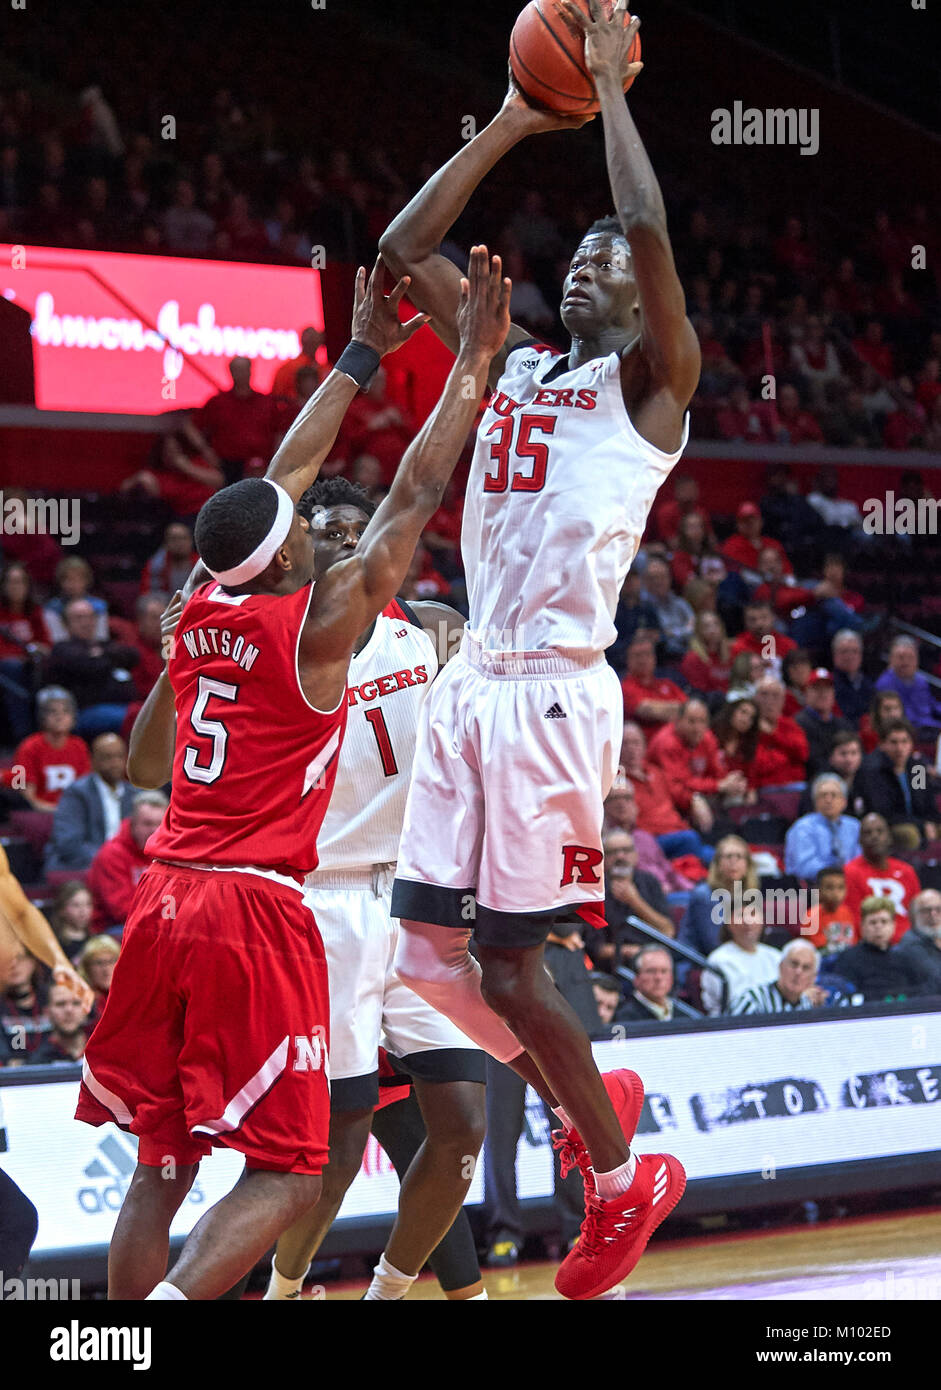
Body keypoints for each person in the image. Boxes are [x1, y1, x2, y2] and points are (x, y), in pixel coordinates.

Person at [74, 249, 507, 1302]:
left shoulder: (203, 602)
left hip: (163, 893)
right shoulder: (316, 632)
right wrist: (472, 367)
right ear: (288, 555)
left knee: (159, 1167)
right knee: (288, 1168)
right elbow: (408, 495)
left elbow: (284, 472)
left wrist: (358, 354)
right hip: (256, 905)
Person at [381, 5, 697, 1299]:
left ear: (642, 297)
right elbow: (403, 249)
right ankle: (588, 1100)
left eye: (606, 258)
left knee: (510, 963)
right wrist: (514, 118)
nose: (587, 261)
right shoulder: (506, 365)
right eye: (577, 249)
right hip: (471, 681)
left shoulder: (652, 386)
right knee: (423, 964)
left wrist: (611, 93)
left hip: (554, 691)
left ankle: (621, 1178)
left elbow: (654, 226)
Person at [45, 598, 140, 737]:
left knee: (156, 713)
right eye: (79, 618)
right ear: (66, 624)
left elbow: (133, 656)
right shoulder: (62, 649)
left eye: (90, 617)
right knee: (140, 718)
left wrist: (100, 655)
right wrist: (106, 658)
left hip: (124, 705)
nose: (86, 622)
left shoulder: (104, 644)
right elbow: (91, 667)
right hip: (87, 711)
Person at [44, 733, 136, 874]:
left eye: (119, 756)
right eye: (108, 757)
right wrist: (111, 861)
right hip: (85, 868)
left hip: (125, 870)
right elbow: (69, 843)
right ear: (93, 760)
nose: (115, 763)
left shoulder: (135, 795)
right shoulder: (76, 793)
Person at [86, 791, 169, 931]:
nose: (154, 830)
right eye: (147, 824)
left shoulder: (167, 853)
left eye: (159, 824)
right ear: (133, 823)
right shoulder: (111, 855)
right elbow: (122, 910)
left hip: (155, 920)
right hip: (114, 927)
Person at [852, 719, 939, 850]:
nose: (900, 748)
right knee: (909, 834)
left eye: (905, 741)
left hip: (918, 822)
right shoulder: (874, 770)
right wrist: (922, 825)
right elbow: (885, 812)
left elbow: (925, 804)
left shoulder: (916, 769)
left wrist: (932, 822)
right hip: (887, 826)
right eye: (894, 742)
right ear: (882, 744)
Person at [594, 827, 674, 968]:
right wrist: (635, 952)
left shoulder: (650, 882)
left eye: (626, 850)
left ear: (635, 855)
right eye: (613, 852)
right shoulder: (594, 890)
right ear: (603, 857)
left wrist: (635, 901)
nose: (620, 856)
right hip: (614, 967)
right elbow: (596, 948)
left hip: (654, 961)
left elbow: (668, 930)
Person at [647, 698, 748, 806]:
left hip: (697, 792)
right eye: (691, 721)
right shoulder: (666, 743)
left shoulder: (707, 738)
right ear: (677, 720)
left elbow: (717, 772)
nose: (697, 728)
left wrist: (730, 781)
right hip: (665, 798)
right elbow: (681, 783)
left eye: (702, 721)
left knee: (737, 797)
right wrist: (718, 785)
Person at [677, 834, 758, 961]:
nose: (733, 862)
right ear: (718, 864)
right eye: (728, 857)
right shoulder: (704, 895)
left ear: (747, 865)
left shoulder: (749, 894)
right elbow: (713, 942)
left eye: (739, 857)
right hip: (698, 961)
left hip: (734, 957)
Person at [828, 897, 922, 1002]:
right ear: (862, 926)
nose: (878, 927)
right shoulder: (848, 958)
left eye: (884, 921)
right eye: (873, 922)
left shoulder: (905, 958)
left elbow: (919, 991)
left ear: (893, 926)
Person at [843, 813, 920, 940]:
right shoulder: (849, 872)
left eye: (880, 831)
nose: (874, 836)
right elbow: (854, 918)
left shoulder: (907, 871)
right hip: (872, 943)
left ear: (889, 837)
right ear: (860, 840)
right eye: (868, 833)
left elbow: (916, 914)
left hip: (909, 944)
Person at [12, 686, 91, 811]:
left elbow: (86, 790)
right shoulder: (28, 747)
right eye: (52, 712)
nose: (59, 716)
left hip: (74, 814)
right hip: (39, 814)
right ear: (42, 717)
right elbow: (26, 797)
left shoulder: (79, 746)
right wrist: (57, 811)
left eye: (66, 711)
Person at [701, 903, 780, 1014]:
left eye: (752, 914)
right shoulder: (718, 960)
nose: (747, 921)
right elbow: (737, 1004)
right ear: (728, 923)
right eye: (741, 915)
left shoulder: (775, 956)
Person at [784, 774, 861, 880]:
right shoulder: (803, 827)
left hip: (851, 883)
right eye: (823, 795)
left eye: (834, 795)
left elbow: (860, 860)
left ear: (844, 802)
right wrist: (838, 874)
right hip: (813, 888)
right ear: (815, 802)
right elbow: (804, 867)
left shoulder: (855, 826)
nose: (828, 800)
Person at [732, 939, 841, 1013]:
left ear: (814, 977)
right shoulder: (751, 1001)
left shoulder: (813, 1004)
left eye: (806, 968)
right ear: (780, 966)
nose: (798, 972)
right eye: (794, 964)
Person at [796, 669, 855, 778]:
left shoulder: (844, 724)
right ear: (806, 693)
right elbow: (811, 761)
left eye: (827, 689)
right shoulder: (798, 724)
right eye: (817, 689)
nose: (822, 693)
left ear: (833, 693)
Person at [620, 636, 685, 732]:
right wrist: (676, 709)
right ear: (628, 660)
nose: (643, 660)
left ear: (654, 658)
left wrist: (657, 708)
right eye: (638, 655)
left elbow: (687, 709)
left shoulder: (667, 684)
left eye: (647, 654)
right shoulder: (625, 687)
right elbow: (646, 711)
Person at [875, 637, 940, 732]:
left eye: (910, 657)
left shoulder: (921, 680)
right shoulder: (885, 683)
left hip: (930, 726)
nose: (906, 662)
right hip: (905, 730)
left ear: (917, 660)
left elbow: (931, 703)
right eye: (901, 657)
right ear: (891, 659)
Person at [892, 890, 941, 996]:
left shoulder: (937, 938)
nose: (933, 915)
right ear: (913, 916)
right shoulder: (910, 945)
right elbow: (936, 978)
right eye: (926, 910)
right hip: (925, 1008)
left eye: (938, 909)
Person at [31, 982, 92, 1064]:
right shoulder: (37, 1062)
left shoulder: (102, 1051)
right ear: (47, 1012)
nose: (69, 1010)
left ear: (87, 1009)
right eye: (60, 1004)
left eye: (76, 1003)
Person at [801, 867, 856, 956]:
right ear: (818, 890)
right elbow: (820, 951)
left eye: (840, 887)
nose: (836, 893)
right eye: (830, 888)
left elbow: (853, 943)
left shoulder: (847, 912)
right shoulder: (811, 916)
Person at [614, 945, 677, 1022]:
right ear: (636, 978)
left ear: (672, 977)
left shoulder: (682, 1014)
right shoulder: (625, 1017)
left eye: (664, 971)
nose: (658, 978)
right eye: (651, 971)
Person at [831, 630, 874, 727]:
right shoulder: (829, 684)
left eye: (855, 651)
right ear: (834, 655)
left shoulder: (868, 684)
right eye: (844, 651)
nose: (850, 656)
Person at [49, 880, 95, 963]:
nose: (83, 911)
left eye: (88, 904)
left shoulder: (95, 940)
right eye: (76, 905)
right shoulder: (54, 943)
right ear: (61, 909)